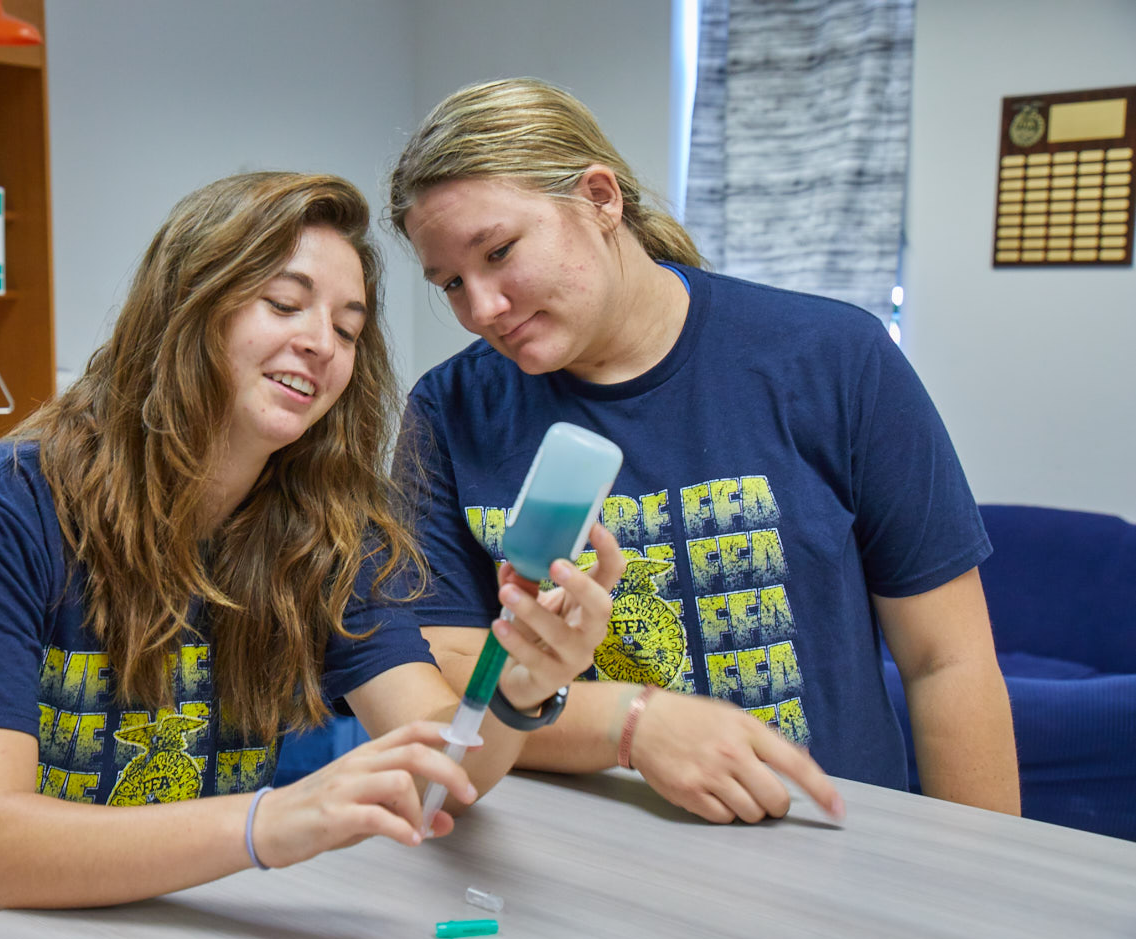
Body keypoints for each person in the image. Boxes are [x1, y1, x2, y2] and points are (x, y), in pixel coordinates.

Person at [0, 171, 625, 939]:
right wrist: (271, 819)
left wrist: (518, 684)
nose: (320, 344)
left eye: (346, 328)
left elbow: (434, 767)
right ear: (184, 308)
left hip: (169, 920)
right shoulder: (2, 508)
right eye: (283, 304)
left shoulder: (322, 531)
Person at [387, 77, 1020, 826]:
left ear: (600, 198)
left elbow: (945, 662)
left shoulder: (833, 360)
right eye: (451, 282)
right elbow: (448, 696)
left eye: (499, 252)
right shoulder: (448, 411)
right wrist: (633, 722)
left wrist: (980, 882)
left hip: (826, 845)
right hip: (570, 856)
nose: (481, 308)